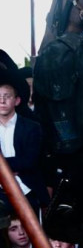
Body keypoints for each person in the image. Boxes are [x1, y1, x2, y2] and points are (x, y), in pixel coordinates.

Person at [0, 71, 50, 215]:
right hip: (1, 194)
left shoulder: (32, 127)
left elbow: (29, 161)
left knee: (33, 234)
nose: (2, 101)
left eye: (7, 97)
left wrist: (3, 167)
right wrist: (14, 166)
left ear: (17, 101)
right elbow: (21, 162)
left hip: (28, 189)